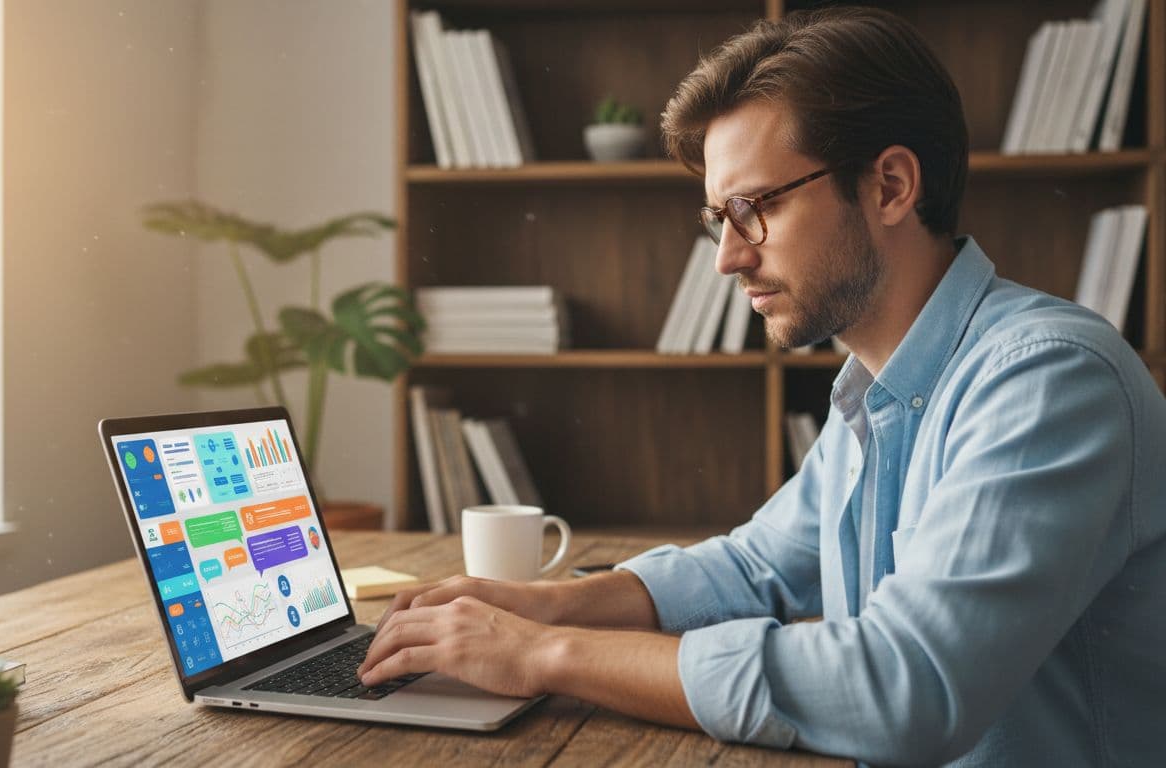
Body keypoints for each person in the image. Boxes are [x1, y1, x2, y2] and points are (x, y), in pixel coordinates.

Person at [358, 7, 1166, 765]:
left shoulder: (1048, 379)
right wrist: (541, 605)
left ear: (890, 185)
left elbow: (909, 685)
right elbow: (753, 568)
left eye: (753, 209)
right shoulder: (874, 388)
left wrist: (542, 655)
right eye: (719, 219)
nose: (727, 257)